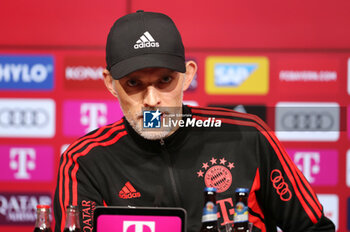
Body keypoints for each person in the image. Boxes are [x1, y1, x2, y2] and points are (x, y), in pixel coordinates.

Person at [53, 10, 335, 232]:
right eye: (134, 83)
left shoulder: (247, 135)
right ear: (110, 84)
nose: (151, 100)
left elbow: (314, 227)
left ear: (188, 75)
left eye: (165, 80)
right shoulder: (84, 161)